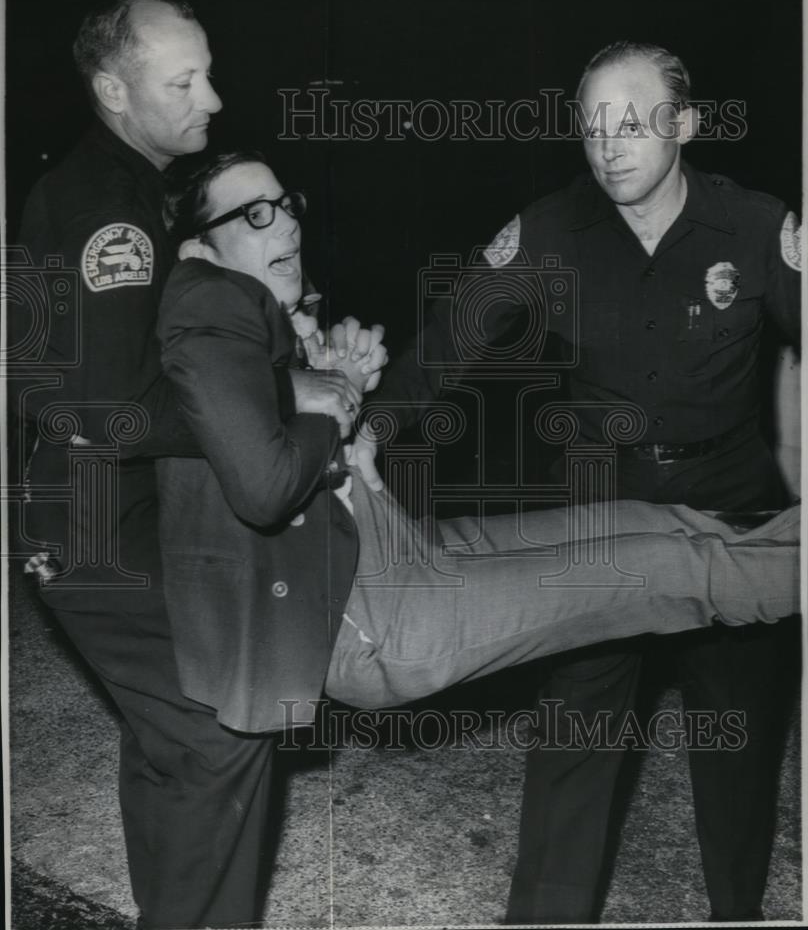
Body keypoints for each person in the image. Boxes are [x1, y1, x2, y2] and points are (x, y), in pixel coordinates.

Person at [350, 41, 802, 922]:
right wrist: (365, 432)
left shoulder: (755, 226)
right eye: (593, 125)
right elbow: (448, 347)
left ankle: (739, 911)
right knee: (577, 728)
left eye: (633, 122)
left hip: (733, 505)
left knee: (741, 735)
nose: (610, 145)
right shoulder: (550, 230)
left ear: (687, 125)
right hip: (596, 512)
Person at [156, 149, 799, 735]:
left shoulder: (260, 316)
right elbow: (261, 474)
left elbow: (262, 392)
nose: (288, 226)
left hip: (394, 553)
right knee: (667, 569)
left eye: (285, 206)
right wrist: (340, 390)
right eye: (256, 215)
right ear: (198, 251)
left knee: (653, 525)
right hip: (379, 621)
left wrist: (330, 378)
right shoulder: (209, 305)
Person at [11, 0, 361, 930]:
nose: (211, 98)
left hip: (114, 512)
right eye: (185, 80)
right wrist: (292, 396)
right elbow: (116, 408)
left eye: (207, 71)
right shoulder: (108, 210)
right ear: (113, 90)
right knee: (218, 730)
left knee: (170, 736)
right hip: (92, 523)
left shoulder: (124, 189)